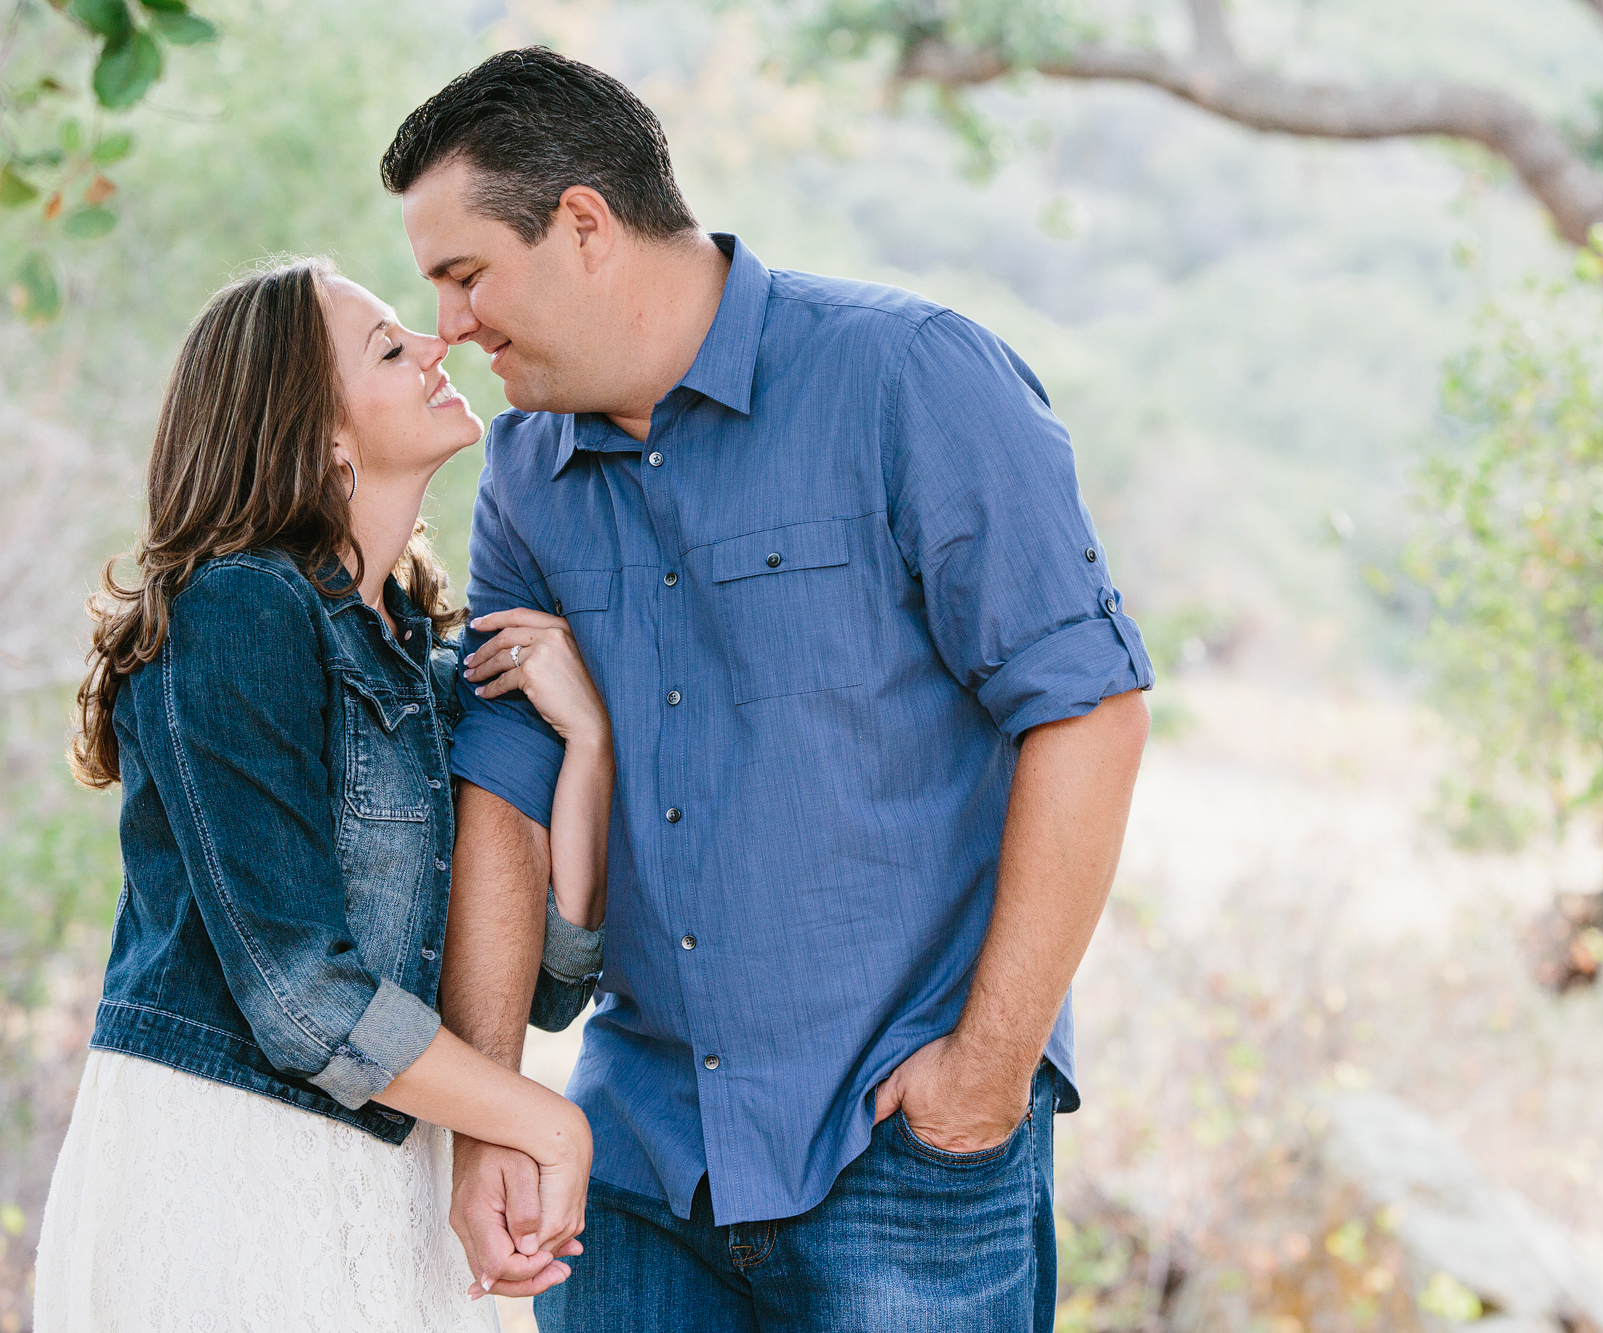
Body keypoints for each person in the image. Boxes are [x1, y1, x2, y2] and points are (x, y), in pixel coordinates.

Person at [382, 48, 1156, 1331]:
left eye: (465, 276)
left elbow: (1088, 710)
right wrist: (497, 1119)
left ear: (583, 223)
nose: (450, 326)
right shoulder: (522, 469)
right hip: (636, 1161)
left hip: (898, 1148)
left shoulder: (910, 380)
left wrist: (985, 1072)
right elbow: (503, 797)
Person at [35, 257, 614, 1331]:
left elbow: (545, 983)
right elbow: (300, 993)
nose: (438, 346)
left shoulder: (423, 661)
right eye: (391, 348)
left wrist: (586, 746)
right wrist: (547, 1125)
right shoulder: (239, 606)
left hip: (395, 1167)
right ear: (320, 438)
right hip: (233, 1163)